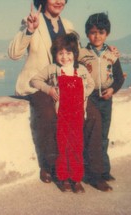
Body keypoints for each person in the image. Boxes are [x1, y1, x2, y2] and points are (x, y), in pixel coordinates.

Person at [8, 0, 75, 184]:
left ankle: (94, 169)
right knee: (47, 113)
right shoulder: (31, 20)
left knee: (90, 113)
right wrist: (29, 30)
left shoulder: (68, 26)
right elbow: (13, 54)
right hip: (36, 85)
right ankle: (51, 166)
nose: (59, 1)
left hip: (63, 85)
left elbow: (76, 55)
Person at [30, 33, 95, 193]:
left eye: (68, 53)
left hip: (78, 114)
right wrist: (49, 89)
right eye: (60, 53)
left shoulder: (80, 69)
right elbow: (34, 80)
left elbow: (91, 84)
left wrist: (83, 94)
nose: (64, 57)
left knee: (76, 147)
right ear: (55, 54)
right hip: (62, 115)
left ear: (74, 54)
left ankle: (76, 179)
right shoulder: (53, 69)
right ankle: (64, 178)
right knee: (62, 146)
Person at [79, 12, 125, 191]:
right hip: (89, 100)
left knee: (103, 135)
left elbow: (119, 78)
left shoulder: (112, 55)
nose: (96, 36)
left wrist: (113, 89)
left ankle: (104, 170)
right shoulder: (81, 54)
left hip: (106, 100)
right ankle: (92, 174)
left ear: (107, 34)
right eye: (92, 32)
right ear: (87, 34)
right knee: (91, 136)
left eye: (101, 32)